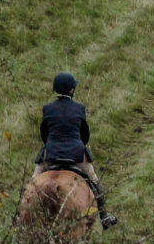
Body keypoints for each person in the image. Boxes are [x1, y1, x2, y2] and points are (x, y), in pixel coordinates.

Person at [34, 72, 118, 229]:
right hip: (76, 154)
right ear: (72, 90)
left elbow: (44, 133)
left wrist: (52, 144)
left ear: (55, 89)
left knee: (32, 182)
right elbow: (85, 134)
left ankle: (18, 217)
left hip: (51, 153)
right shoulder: (79, 108)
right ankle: (104, 216)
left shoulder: (47, 108)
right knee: (94, 180)